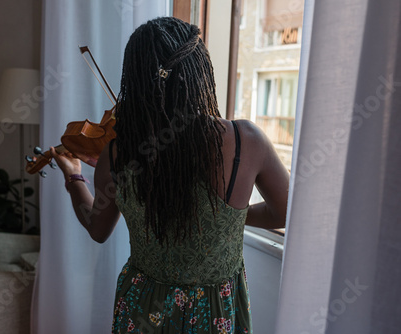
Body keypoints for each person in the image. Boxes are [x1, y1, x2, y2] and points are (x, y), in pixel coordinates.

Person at [50, 16, 289, 334]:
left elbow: (97, 228)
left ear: (133, 79)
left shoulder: (117, 153)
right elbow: (283, 212)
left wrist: (74, 176)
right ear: (200, 73)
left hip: (144, 306)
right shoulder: (248, 139)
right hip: (214, 310)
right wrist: (225, 218)